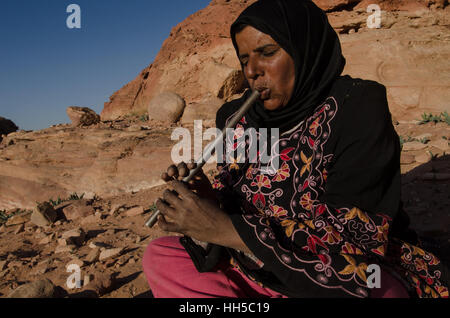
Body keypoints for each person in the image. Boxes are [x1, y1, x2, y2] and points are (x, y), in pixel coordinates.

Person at [142, 0, 449, 298]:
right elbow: (236, 200)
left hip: (335, 274)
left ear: (304, 50)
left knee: (375, 285)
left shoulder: (356, 106)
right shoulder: (233, 117)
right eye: (245, 59)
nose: (252, 71)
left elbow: (355, 243)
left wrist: (226, 229)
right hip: (256, 264)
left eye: (267, 53)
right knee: (162, 257)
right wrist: (208, 198)